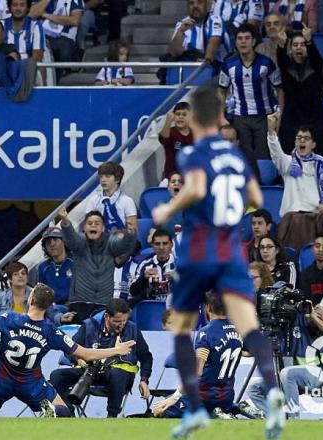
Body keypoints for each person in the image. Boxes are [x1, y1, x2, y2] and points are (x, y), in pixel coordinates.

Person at [151, 86, 285, 439]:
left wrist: (169, 208)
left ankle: (193, 408)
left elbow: (193, 189)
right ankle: (272, 394)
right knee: (249, 327)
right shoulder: (236, 158)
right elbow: (256, 198)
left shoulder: (197, 153)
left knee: (181, 325)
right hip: (233, 251)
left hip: (203, 248)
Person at [0, 283, 136, 417]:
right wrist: (115, 350)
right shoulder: (51, 332)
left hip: (1, 379)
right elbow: (86, 354)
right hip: (31, 384)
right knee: (64, 414)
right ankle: (48, 411)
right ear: (49, 306)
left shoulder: (7, 318)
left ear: (30, 300)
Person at [49, 299, 153, 418]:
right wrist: (77, 359)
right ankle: (67, 413)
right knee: (57, 375)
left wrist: (144, 380)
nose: (122, 324)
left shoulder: (133, 330)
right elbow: (69, 349)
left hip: (118, 375)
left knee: (117, 373)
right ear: (107, 317)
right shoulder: (89, 326)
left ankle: (112, 416)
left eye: (125, 320)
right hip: (89, 371)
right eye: (117, 321)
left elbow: (146, 357)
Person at [153, 292, 243, 419]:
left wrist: (174, 397)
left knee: (159, 410)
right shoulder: (238, 330)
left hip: (204, 397)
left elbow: (197, 372)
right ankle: (226, 409)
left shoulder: (205, 333)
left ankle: (211, 413)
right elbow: (248, 352)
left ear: (208, 308)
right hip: (227, 396)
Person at [247, 299, 323, 419]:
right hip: (289, 378)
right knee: (253, 387)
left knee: (287, 373)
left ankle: (294, 419)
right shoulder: (274, 324)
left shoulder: (303, 317)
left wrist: (312, 315)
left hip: (317, 373)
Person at [218, 23, 284, 161]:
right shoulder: (228, 64)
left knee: (264, 156)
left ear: (254, 41)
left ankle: (264, 182)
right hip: (240, 117)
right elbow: (221, 91)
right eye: (239, 38)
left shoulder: (266, 63)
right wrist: (220, 115)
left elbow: (279, 89)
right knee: (243, 157)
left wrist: (280, 112)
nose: (243, 41)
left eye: (247, 38)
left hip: (264, 117)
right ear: (235, 42)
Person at [59, 208, 136, 322]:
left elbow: (122, 247)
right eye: (90, 223)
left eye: (97, 223)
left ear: (103, 228)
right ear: (85, 228)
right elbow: (71, 238)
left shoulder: (110, 242)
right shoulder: (80, 241)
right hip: (79, 302)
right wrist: (65, 221)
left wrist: (130, 234)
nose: (93, 226)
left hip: (103, 303)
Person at [267, 115, 323, 218]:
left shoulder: (321, 165)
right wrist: (271, 131)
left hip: (313, 216)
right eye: (299, 138)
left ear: (313, 144)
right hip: (291, 217)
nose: (302, 141)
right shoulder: (287, 162)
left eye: (306, 138)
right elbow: (275, 152)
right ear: (295, 142)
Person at [276, 27, 323, 156]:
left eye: (302, 44)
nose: (299, 48)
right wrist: (281, 45)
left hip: (314, 118)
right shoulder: (287, 67)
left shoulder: (315, 67)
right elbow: (281, 59)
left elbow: (317, 59)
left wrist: (310, 41)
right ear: (291, 49)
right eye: (295, 45)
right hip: (291, 118)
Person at [168, 0, 228, 68]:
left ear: (207, 5)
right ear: (187, 6)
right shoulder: (182, 24)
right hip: (188, 67)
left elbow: (214, 42)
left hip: (214, 67)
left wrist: (206, 60)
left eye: (200, 2)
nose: (195, 6)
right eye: (191, 3)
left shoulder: (215, 19)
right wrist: (180, 32)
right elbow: (174, 53)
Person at [85, 161, 137, 233]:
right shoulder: (94, 200)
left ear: (117, 179)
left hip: (122, 240)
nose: (103, 180)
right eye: (101, 177)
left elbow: (132, 228)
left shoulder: (127, 201)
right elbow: (88, 224)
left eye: (107, 176)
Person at [129, 228, 176, 306]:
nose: (161, 247)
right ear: (152, 245)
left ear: (171, 245)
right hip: (150, 309)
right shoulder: (144, 264)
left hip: (175, 309)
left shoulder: (180, 264)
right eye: (157, 244)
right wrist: (143, 278)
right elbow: (133, 292)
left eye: (165, 243)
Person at [37, 226, 74, 306]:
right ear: (45, 248)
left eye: (55, 240)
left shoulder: (76, 262)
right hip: (53, 309)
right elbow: (41, 294)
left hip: (76, 306)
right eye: (48, 242)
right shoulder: (43, 267)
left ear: (64, 241)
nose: (52, 244)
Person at [159, 102, 192, 180]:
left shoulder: (196, 134)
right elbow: (163, 139)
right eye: (178, 114)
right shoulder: (170, 132)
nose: (180, 117)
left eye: (184, 114)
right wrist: (168, 121)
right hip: (172, 178)